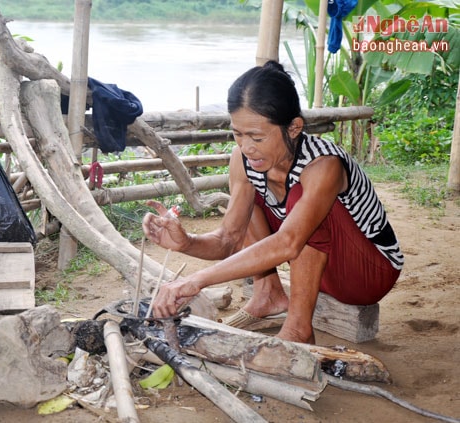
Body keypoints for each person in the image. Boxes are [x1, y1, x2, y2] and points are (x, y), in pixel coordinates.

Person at [142, 60, 403, 344]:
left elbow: (290, 241)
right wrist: (186, 242)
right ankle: (267, 295)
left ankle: (298, 330)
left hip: (366, 273)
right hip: (317, 264)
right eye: (238, 134)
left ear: (293, 128)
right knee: (250, 202)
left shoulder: (323, 164)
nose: (246, 147)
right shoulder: (244, 160)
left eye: (257, 137)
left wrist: (196, 280)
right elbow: (229, 238)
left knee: (300, 200)